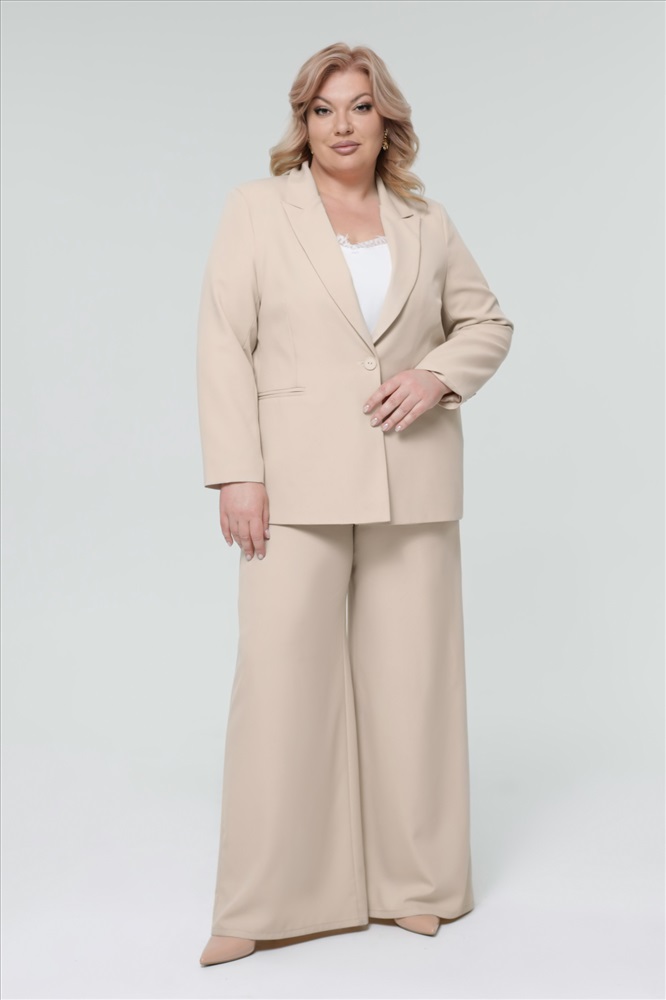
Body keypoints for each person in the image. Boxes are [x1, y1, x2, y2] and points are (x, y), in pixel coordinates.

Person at [195, 41, 513, 967]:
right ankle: (261, 900)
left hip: (413, 480)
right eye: (323, 108)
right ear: (303, 122)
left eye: (360, 107)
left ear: (386, 121)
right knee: (279, 687)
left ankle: (416, 884)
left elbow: (487, 321)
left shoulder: (426, 220)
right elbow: (224, 341)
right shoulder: (256, 210)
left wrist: (436, 376)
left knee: (414, 686)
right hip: (291, 485)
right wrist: (237, 471)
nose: (342, 124)